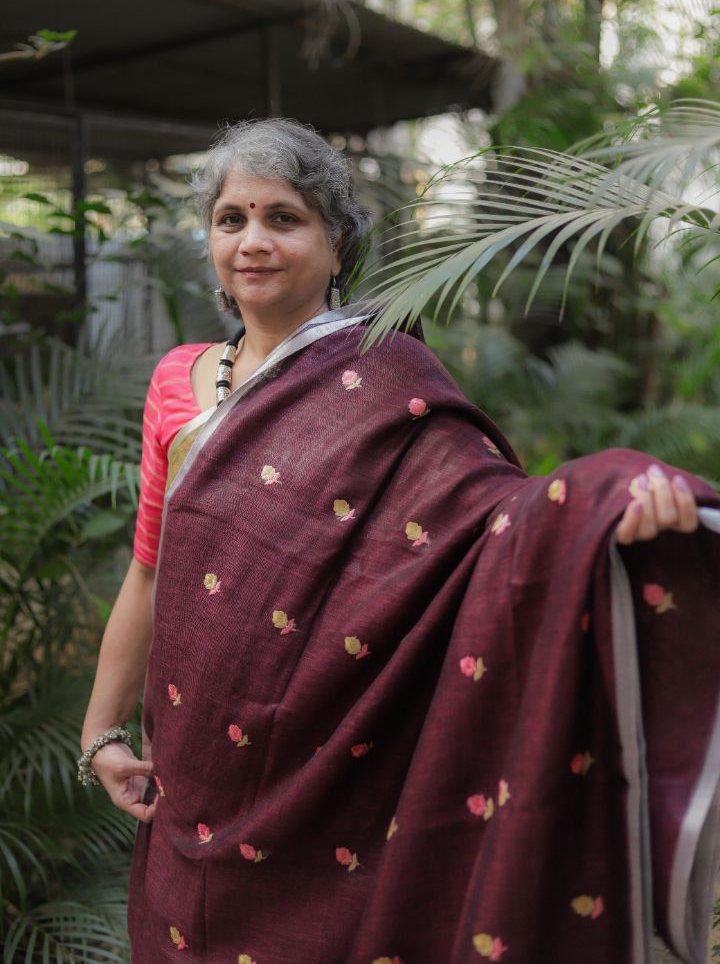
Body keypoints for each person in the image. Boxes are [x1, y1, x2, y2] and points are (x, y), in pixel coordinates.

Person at [79, 119, 720, 964]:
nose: (253, 242)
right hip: (191, 767)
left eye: (283, 218)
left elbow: (494, 527)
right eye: (231, 219)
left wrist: (611, 496)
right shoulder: (176, 379)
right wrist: (101, 733)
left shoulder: (386, 376)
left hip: (332, 773)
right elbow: (149, 571)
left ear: (337, 244)